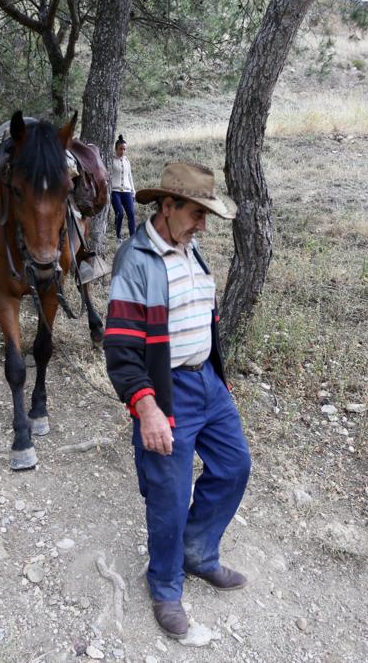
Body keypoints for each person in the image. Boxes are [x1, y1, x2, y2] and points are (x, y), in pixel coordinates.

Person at [103, 161, 251, 639]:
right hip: (166, 392)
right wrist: (146, 408)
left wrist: (218, 376)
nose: (203, 224)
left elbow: (203, 316)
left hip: (207, 382)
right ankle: (166, 587)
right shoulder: (137, 259)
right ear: (166, 207)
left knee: (234, 466)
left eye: (207, 215)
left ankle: (198, 553)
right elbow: (122, 349)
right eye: (196, 212)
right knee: (168, 497)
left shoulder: (191, 248)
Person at [108, 134, 136, 243]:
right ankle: (118, 236)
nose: (122, 151)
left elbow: (129, 176)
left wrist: (133, 191)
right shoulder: (111, 160)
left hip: (127, 191)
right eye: (120, 149)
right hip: (115, 192)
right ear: (116, 149)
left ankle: (133, 238)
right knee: (119, 213)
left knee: (131, 214)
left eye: (124, 149)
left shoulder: (127, 161)